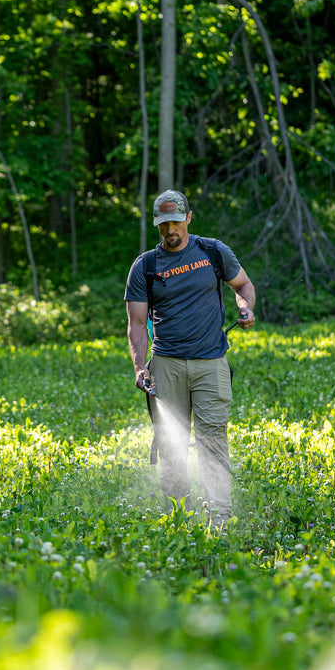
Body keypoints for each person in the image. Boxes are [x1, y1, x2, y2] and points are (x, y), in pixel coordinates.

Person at [124, 189, 256, 526]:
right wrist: (140, 368)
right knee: (172, 445)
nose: (171, 229)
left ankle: (220, 520)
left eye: (176, 222)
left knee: (212, 440)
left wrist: (245, 307)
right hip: (166, 365)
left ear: (189, 218)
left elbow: (243, 286)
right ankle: (178, 519)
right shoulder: (146, 266)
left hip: (211, 363)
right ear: (157, 225)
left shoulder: (212, 251)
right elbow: (137, 324)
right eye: (164, 224)